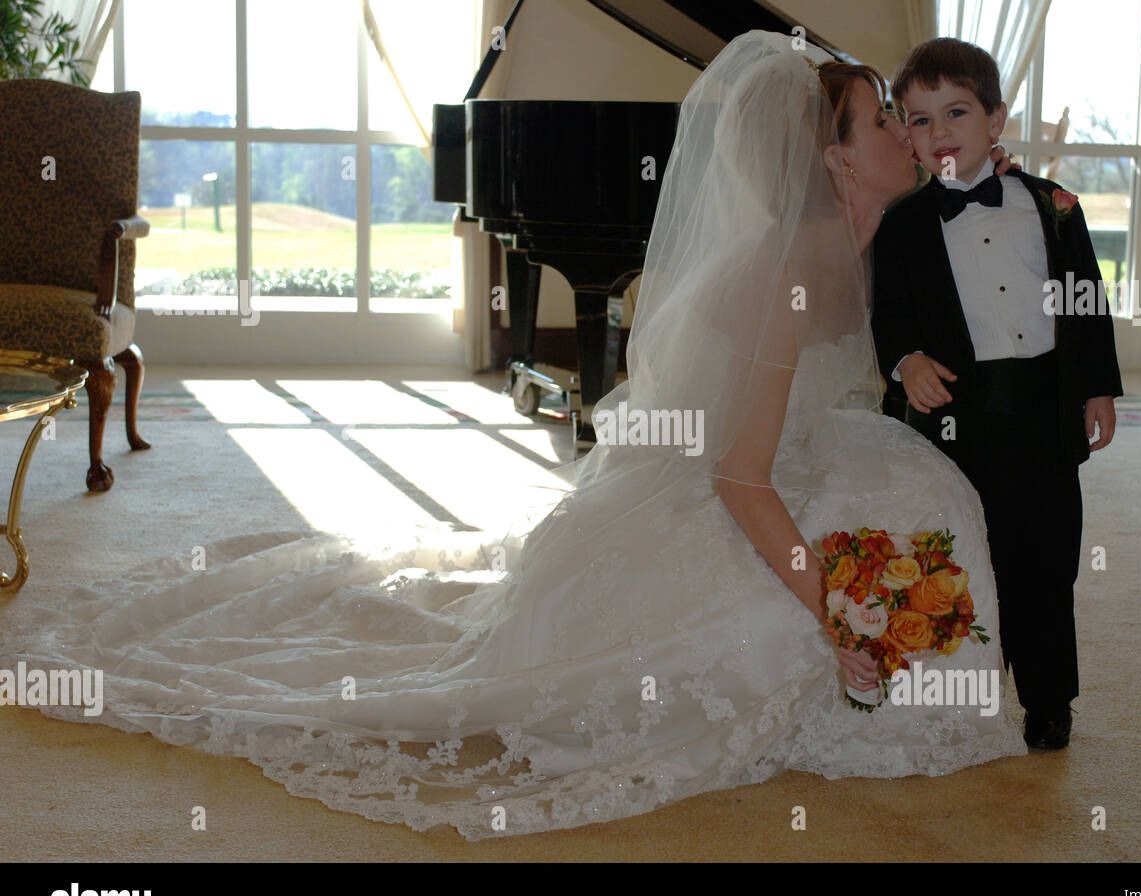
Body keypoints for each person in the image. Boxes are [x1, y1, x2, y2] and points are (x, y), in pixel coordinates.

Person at [0, 31, 1026, 842]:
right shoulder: (788, 266)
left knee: (921, 486)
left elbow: (984, 215)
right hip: (724, 489)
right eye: (882, 116)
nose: (907, 128)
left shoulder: (874, 221)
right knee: (802, 592)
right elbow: (737, 476)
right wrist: (833, 604)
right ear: (832, 159)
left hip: (791, 453)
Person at [870, 38, 1124, 750]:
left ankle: (1049, 698)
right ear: (909, 138)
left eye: (955, 112)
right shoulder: (903, 226)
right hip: (959, 413)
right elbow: (886, 313)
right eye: (920, 121)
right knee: (963, 558)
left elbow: (1085, 301)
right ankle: (967, 698)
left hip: (1044, 404)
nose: (940, 131)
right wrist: (906, 359)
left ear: (996, 120)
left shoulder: (1055, 204)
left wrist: (1097, 388)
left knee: (1047, 559)